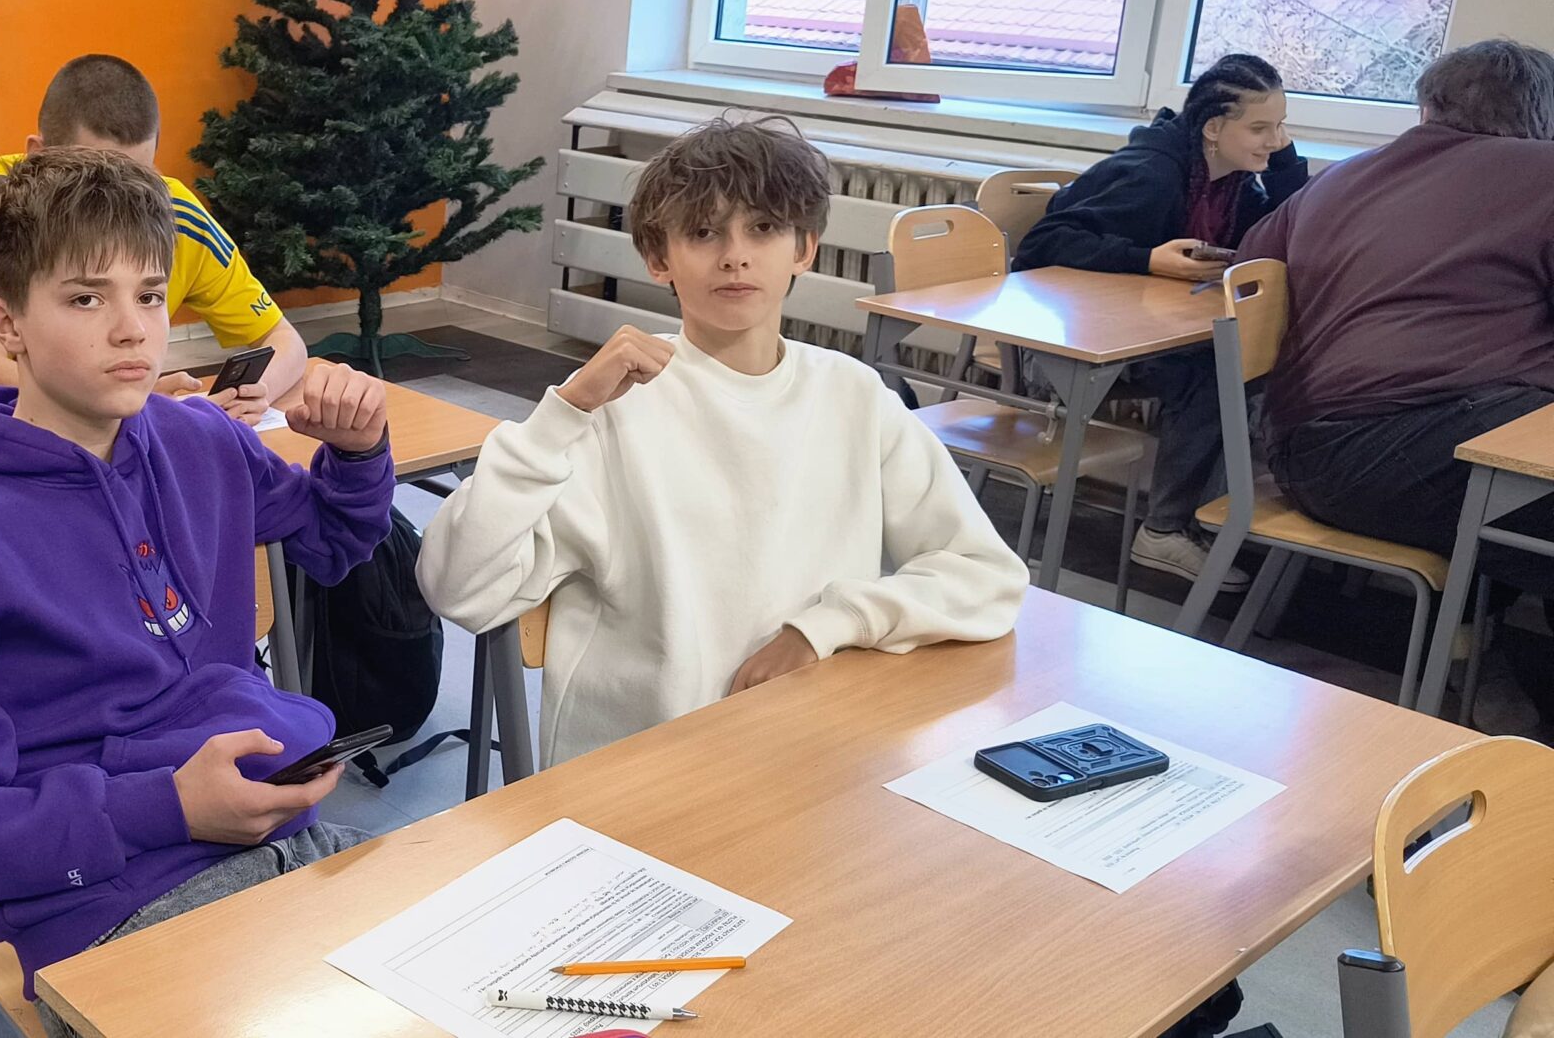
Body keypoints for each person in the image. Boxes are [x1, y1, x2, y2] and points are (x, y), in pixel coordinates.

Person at [0, 147, 395, 1036]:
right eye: (87, 299)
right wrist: (167, 805)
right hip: (110, 911)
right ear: (8, 324)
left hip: (286, 842)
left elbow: (331, 540)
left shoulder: (200, 439)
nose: (134, 330)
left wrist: (358, 452)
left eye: (150, 294)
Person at [415, 118, 1028, 765]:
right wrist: (561, 414)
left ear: (804, 249)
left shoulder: (854, 395)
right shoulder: (611, 406)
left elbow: (985, 575)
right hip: (644, 770)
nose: (735, 255)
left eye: (762, 228)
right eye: (704, 233)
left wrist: (824, 627)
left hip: (813, 750)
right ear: (659, 260)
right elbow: (458, 588)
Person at [1247, 38, 1554, 704]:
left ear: (1427, 108)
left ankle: (1472, 647)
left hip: (1302, 451)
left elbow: (1248, 268)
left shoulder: (1345, 174)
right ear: (1541, 117)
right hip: (1392, 453)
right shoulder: (1543, 173)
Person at [1015, 54, 1308, 589]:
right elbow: (1041, 245)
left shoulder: (1234, 181)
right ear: (1213, 129)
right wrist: (1147, 259)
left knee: (1247, 367)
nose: (1275, 140)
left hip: (1141, 334)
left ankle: (1197, 523)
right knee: (1216, 373)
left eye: (1282, 126)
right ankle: (1167, 529)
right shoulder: (1150, 173)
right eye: (1261, 128)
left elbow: (1290, 228)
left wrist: (1286, 164)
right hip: (1067, 343)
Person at [0, 54, 309, 423]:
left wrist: (256, 393)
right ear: (38, 156)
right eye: (90, 182)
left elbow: (283, 338)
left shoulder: (178, 213)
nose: (120, 200)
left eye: (139, 179)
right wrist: (133, 400)